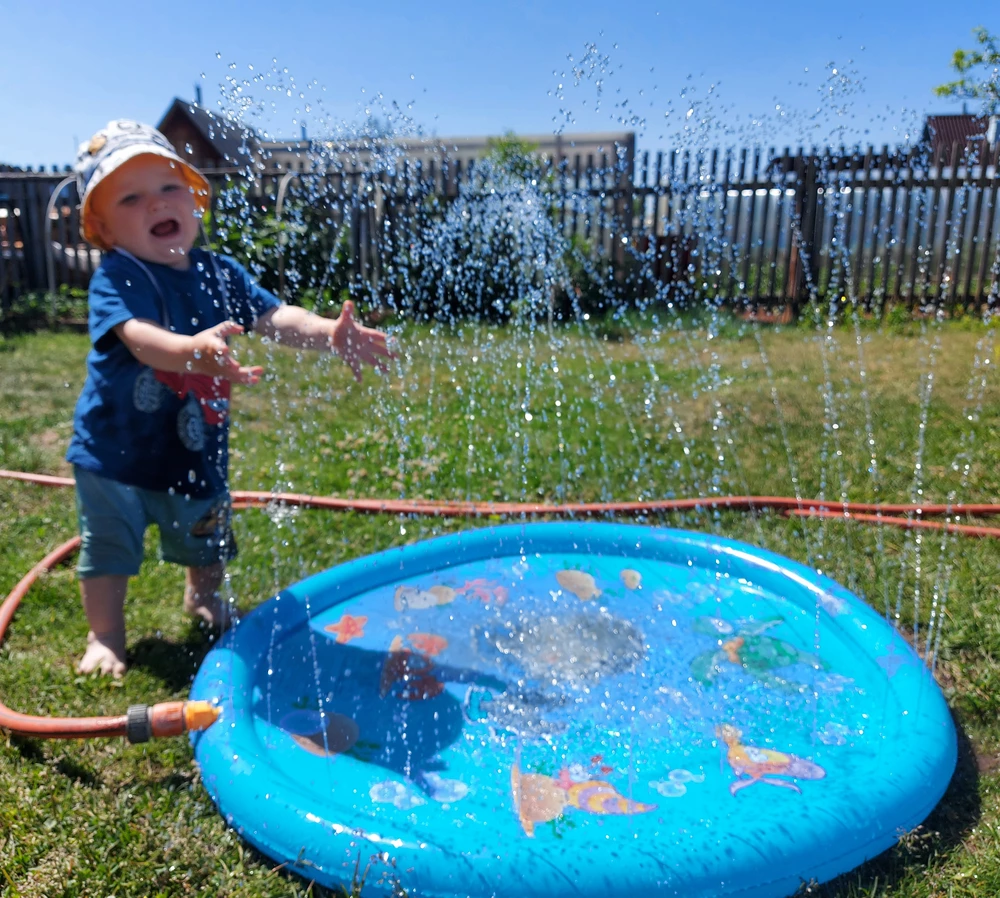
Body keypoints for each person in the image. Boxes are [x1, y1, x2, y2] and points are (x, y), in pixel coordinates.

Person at [67, 120, 393, 677]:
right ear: (102, 229)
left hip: (192, 448)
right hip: (114, 453)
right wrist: (189, 350)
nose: (155, 204)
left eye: (169, 189)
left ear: (195, 200)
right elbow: (138, 338)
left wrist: (325, 333)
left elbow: (273, 316)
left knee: (205, 534)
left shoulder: (221, 273)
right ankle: (106, 635)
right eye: (131, 198)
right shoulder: (119, 274)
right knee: (108, 549)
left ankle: (203, 596)